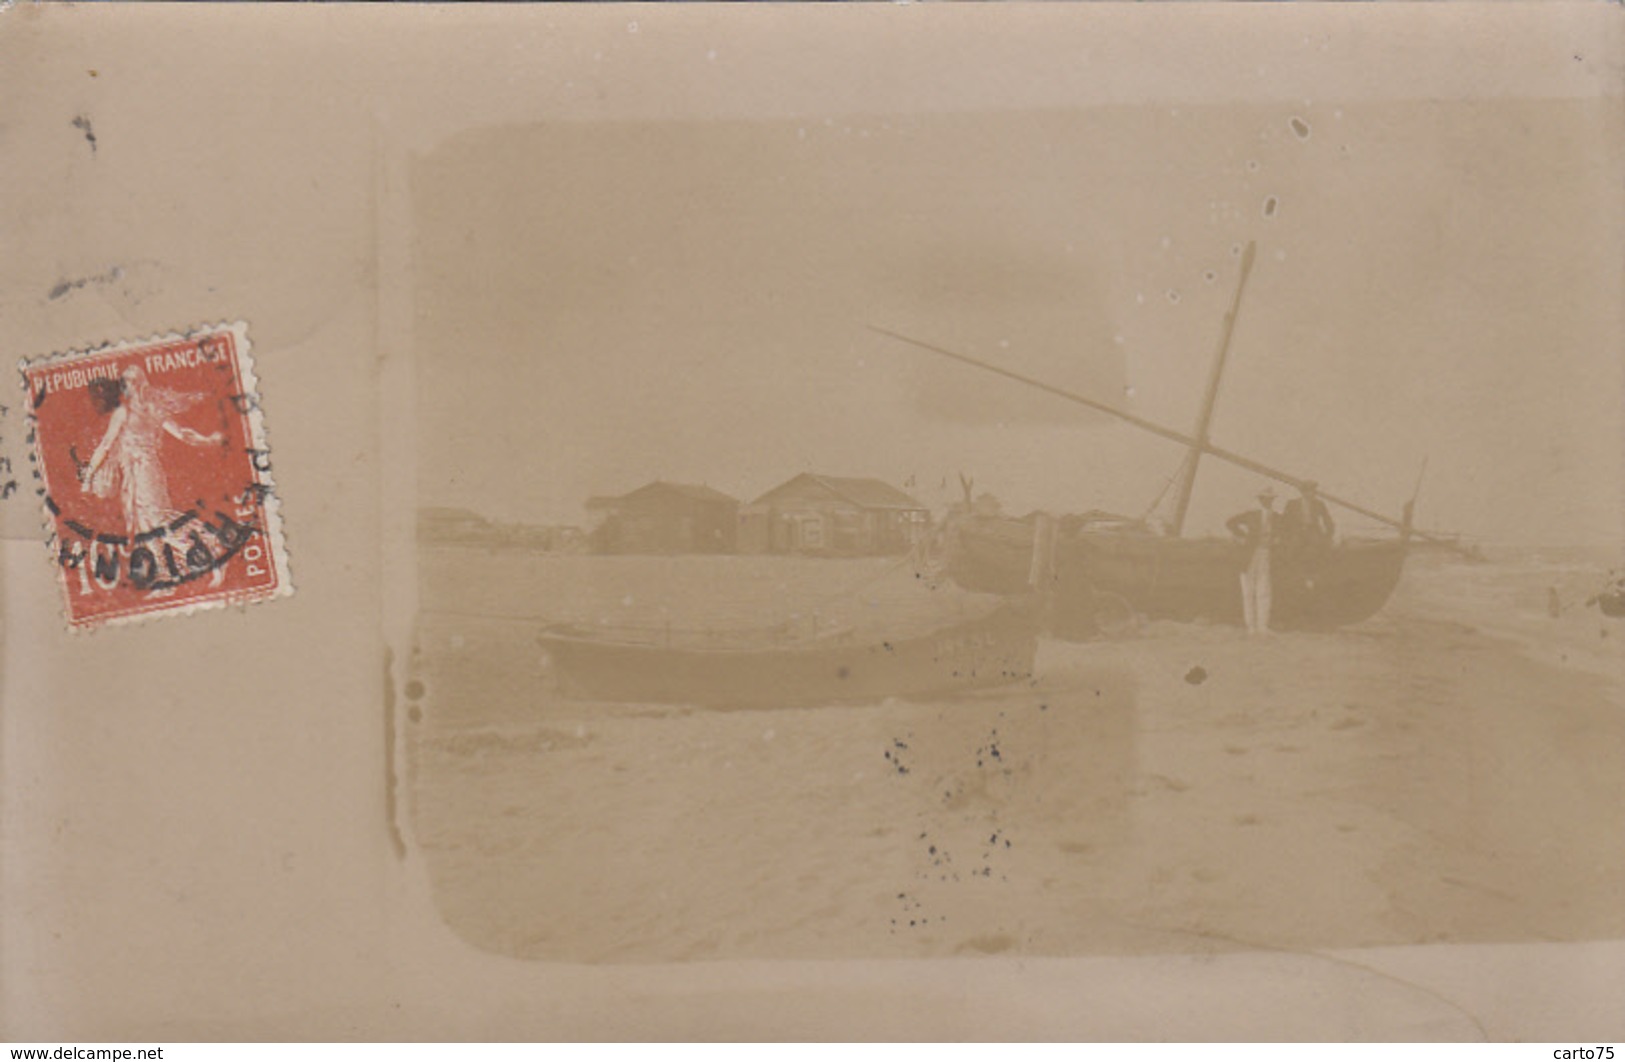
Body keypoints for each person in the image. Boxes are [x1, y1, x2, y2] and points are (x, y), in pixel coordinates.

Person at [81, 365, 224, 537]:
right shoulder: (152, 409)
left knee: (157, 524)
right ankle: (190, 548)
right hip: (139, 473)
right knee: (146, 528)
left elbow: (105, 446)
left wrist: (88, 478)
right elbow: (183, 434)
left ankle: (209, 539)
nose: (127, 387)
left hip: (143, 472)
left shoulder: (125, 412)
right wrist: (208, 440)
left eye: (129, 383)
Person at [1226, 484, 1280, 635]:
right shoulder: (1251, 515)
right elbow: (1230, 522)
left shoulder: (1277, 517)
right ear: (1260, 500)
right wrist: (1241, 536)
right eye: (1264, 498)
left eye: (1270, 499)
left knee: (1264, 590)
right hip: (1248, 555)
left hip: (1266, 553)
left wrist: (1278, 539)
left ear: (1273, 500)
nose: (1267, 501)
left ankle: (1263, 626)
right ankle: (1251, 626)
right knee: (1248, 591)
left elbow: (1286, 532)